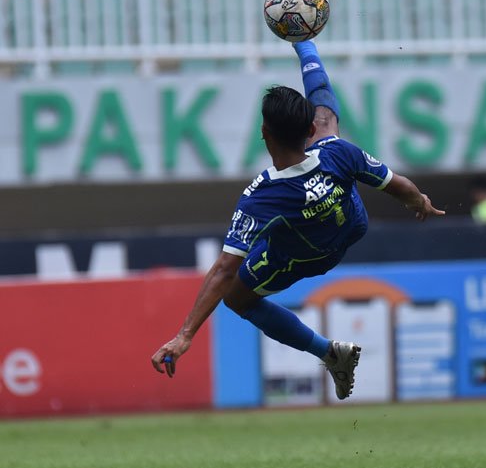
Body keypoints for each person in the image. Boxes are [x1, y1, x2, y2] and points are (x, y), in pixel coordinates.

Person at [151, 41, 445, 399]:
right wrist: (419, 201)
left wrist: (184, 335)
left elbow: (224, 269)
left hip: (308, 255)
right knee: (328, 122)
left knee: (236, 297)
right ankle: (307, 42)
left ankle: (329, 353)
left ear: (264, 133)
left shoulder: (261, 197)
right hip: (353, 226)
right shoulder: (338, 150)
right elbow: (398, 185)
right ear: (309, 130)